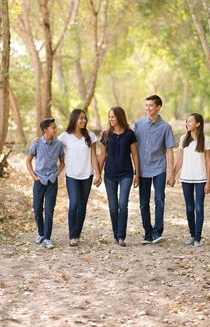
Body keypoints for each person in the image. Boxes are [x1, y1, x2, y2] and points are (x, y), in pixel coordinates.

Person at [134, 95, 175, 245]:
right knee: (144, 202)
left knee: (159, 199)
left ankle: (158, 232)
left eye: (151, 105)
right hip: (143, 169)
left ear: (158, 107)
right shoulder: (138, 124)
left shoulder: (166, 127)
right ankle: (147, 233)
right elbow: (133, 148)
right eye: (146, 105)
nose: (148, 108)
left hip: (159, 168)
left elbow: (170, 150)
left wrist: (171, 173)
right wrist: (135, 171)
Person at [58, 109, 101, 247]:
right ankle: (72, 235)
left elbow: (94, 156)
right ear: (74, 119)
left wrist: (98, 173)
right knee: (74, 203)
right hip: (71, 175)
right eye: (81, 118)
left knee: (82, 205)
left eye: (85, 118)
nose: (83, 121)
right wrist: (38, 139)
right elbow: (51, 143)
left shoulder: (91, 136)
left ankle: (77, 234)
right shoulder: (65, 136)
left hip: (87, 175)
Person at [169, 113, 210, 247]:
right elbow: (180, 159)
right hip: (186, 178)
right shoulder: (183, 139)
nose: (187, 123)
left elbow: (208, 162)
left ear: (198, 124)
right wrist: (172, 175)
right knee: (189, 208)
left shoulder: (206, 140)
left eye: (190, 121)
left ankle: (198, 238)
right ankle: (193, 235)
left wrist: (209, 182)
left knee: (199, 208)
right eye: (186, 122)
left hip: (201, 178)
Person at [99, 107, 139, 247]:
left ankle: (121, 236)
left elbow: (134, 155)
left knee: (123, 204)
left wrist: (137, 174)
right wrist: (98, 174)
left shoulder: (130, 134)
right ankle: (116, 235)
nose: (110, 119)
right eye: (109, 117)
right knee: (113, 206)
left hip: (126, 174)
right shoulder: (106, 134)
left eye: (113, 117)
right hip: (109, 174)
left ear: (120, 118)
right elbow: (102, 156)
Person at [26, 118, 65, 249]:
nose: (55, 129)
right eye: (53, 127)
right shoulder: (36, 144)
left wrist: (56, 174)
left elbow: (62, 162)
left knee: (49, 210)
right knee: (37, 209)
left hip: (52, 181)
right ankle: (41, 234)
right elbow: (28, 161)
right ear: (45, 130)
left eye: (55, 127)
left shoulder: (59, 144)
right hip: (39, 180)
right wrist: (34, 177)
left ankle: (47, 238)